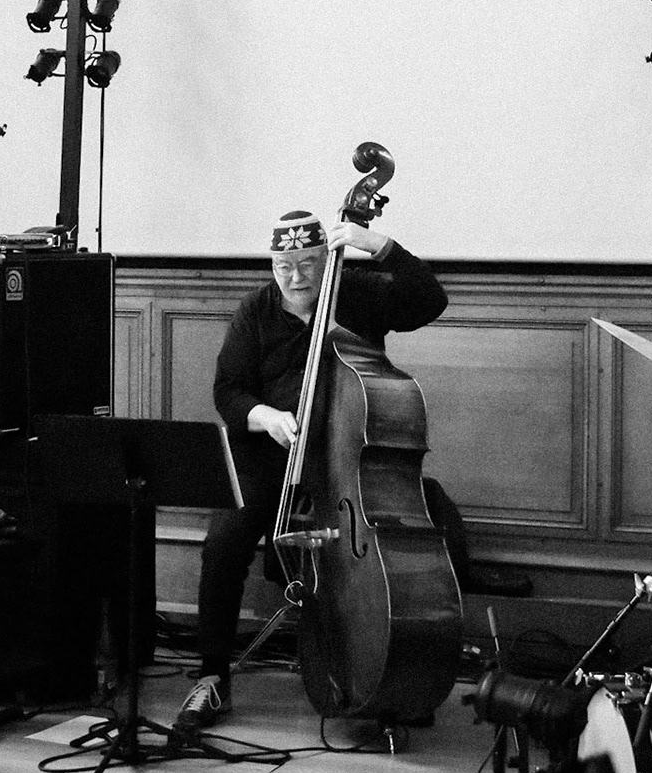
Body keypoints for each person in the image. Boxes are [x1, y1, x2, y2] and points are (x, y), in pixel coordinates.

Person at [174, 209, 449, 734]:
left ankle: (398, 668)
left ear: (327, 258)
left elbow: (429, 301)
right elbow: (228, 392)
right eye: (284, 266)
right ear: (271, 264)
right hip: (272, 459)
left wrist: (380, 243)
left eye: (307, 263)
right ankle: (211, 679)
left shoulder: (357, 293)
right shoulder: (255, 311)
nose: (296, 277)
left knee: (425, 525)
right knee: (225, 538)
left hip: (351, 464)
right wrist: (268, 417)